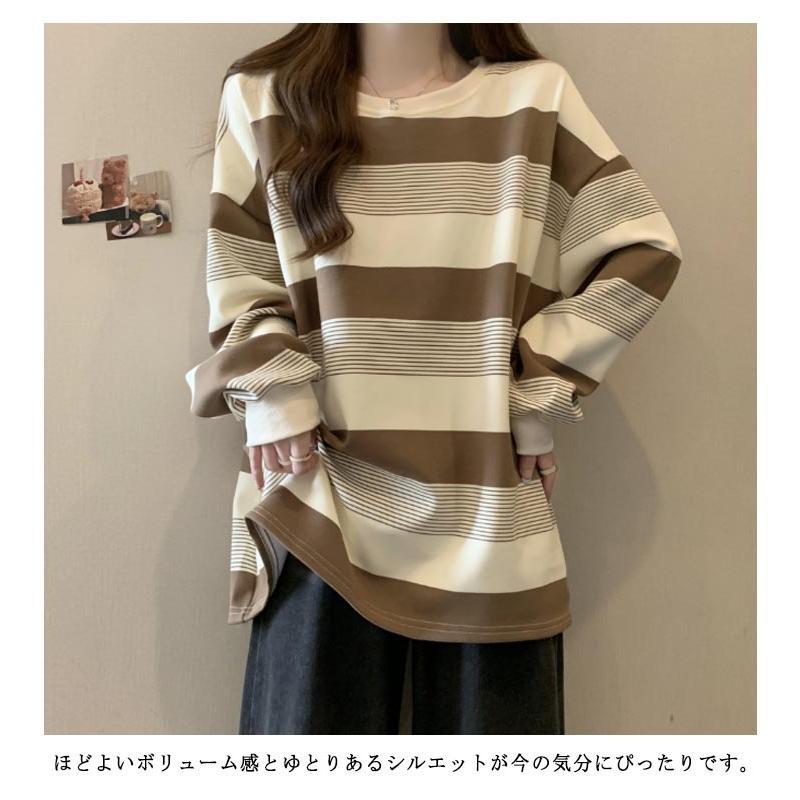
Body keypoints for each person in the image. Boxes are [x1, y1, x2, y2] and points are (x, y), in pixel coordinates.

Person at [184, 23, 682, 735]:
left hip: (488, 512)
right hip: (319, 498)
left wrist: (531, 395)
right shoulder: (264, 100)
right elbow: (243, 275)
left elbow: (643, 251)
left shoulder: (534, 98)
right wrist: (277, 397)